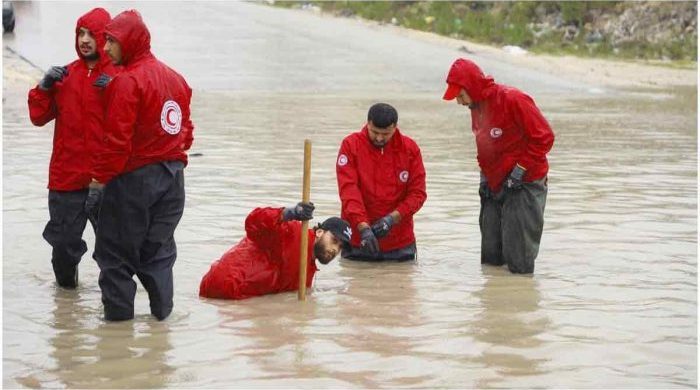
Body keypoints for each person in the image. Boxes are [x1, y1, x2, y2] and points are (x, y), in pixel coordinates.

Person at [91, 10, 194, 321]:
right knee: (159, 254)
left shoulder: (127, 82)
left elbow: (116, 143)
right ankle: (161, 329)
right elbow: (186, 133)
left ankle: (117, 343)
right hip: (173, 181)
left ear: (130, 42)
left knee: (115, 258)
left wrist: (98, 182)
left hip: (134, 181)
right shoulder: (177, 79)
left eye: (111, 41)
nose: (105, 49)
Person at [27, 8, 118, 289]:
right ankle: (67, 310)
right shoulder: (64, 76)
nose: (85, 40)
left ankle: (114, 311)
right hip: (66, 179)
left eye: (92, 34)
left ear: (106, 38)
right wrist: (43, 87)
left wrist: (116, 88)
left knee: (114, 251)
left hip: (107, 181)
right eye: (81, 33)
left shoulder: (120, 76)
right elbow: (38, 118)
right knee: (63, 248)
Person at [442, 58, 555, 274]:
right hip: (494, 183)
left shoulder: (513, 99)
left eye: (460, 95)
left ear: (472, 87)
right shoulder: (476, 106)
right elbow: (485, 147)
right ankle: (493, 303)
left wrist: (519, 171)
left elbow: (545, 138)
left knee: (519, 260)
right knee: (491, 257)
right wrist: (485, 178)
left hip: (525, 183)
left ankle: (520, 300)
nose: (459, 102)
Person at [199, 203, 352, 300]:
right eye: (334, 240)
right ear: (319, 232)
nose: (335, 249)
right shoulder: (294, 231)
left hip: (240, 300)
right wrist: (287, 213)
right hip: (224, 287)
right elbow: (253, 223)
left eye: (340, 247)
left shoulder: (308, 271)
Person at [336, 103, 427, 261]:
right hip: (359, 241)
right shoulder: (350, 145)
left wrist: (391, 219)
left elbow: (418, 194)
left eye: (385, 133)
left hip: (400, 243)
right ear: (368, 123)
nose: (379, 138)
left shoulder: (410, 149)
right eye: (374, 132)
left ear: (395, 127)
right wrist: (363, 227)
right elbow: (349, 192)